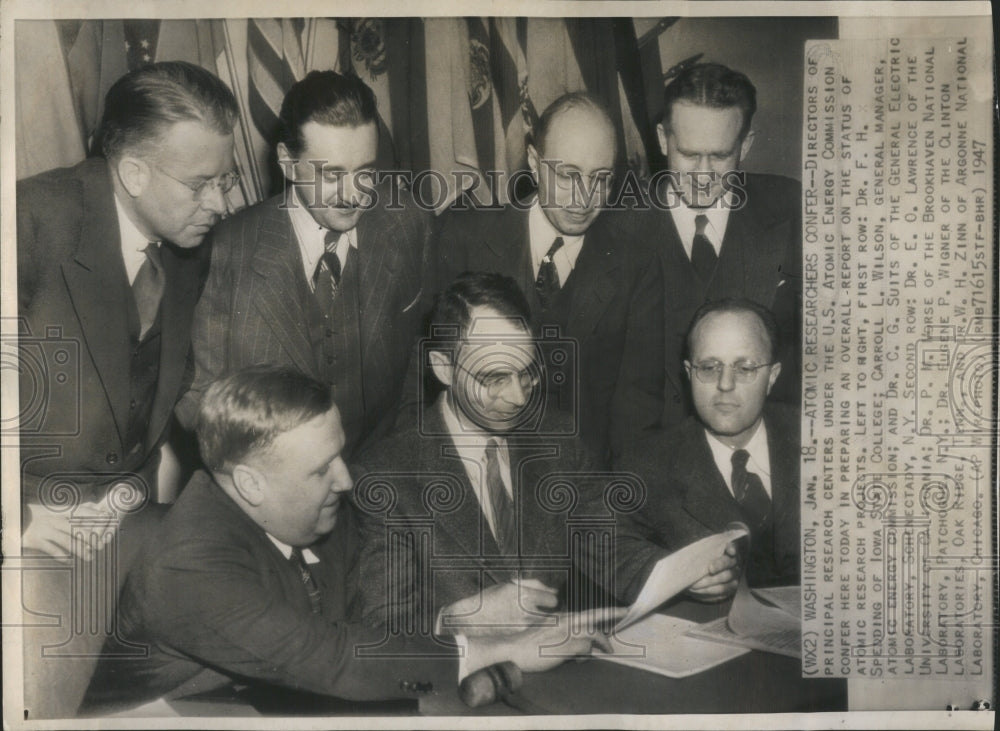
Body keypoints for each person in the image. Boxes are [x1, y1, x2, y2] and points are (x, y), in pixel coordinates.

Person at [81, 366, 615, 713]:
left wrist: (455, 617)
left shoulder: (312, 515)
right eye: (321, 470)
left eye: (341, 453)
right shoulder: (191, 564)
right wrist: (504, 648)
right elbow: (332, 657)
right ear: (250, 482)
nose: (347, 479)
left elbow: (361, 617)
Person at [15, 61, 238, 718]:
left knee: (283, 591)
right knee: (35, 695)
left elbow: (191, 385)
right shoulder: (26, 221)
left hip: (129, 519)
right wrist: (16, 517)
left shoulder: (188, 242)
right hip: (39, 532)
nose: (222, 203)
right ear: (135, 172)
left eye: (224, 181)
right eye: (203, 184)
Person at [180, 70, 434, 457]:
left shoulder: (407, 223)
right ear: (287, 162)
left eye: (365, 172)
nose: (355, 195)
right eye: (332, 175)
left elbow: (420, 354)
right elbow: (199, 401)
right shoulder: (224, 251)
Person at [353, 272, 598, 633]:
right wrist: (459, 620)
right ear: (443, 368)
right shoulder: (385, 476)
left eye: (527, 374)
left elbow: (612, 554)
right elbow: (382, 626)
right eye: (495, 378)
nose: (517, 398)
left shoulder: (558, 439)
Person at [436, 92, 664, 466]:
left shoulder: (634, 264)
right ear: (534, 162)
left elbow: (636, 415)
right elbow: (426, 379)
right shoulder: (464, 238)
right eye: (569, 174)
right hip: (478, 477)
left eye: (601, 178)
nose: (585, 196)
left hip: (581, 485)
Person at [639, 62, 801, 429]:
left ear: (746, 144)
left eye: (720, 156)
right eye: (689, 154)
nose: (701, 174)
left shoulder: (793, 208)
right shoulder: (617, 222)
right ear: (663, 138)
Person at [612, 299, 799, 602]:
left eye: (745, 368)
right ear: (688, 373)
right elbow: (611, 547)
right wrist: (677, 577)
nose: (725, 384)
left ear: (772, 376)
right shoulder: (645, 465)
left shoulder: (823, 439)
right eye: (709, 368)